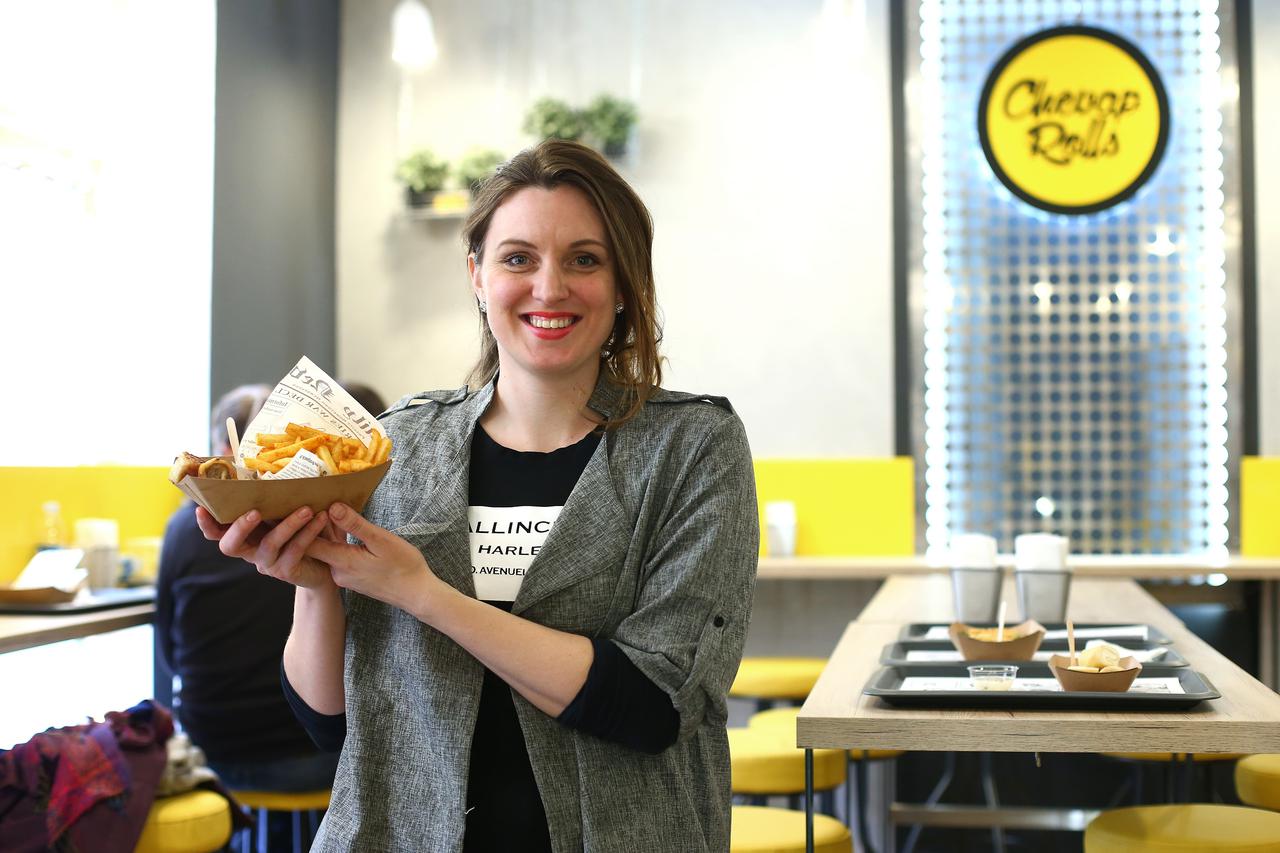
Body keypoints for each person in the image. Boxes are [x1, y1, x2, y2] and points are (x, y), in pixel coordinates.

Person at [196, 140, 759, 852]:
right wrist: (314, 587)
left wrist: (423, 592)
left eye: (584, 259)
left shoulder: (693, 448)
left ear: (623, 283)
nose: (549, 288)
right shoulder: (393, 448)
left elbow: (653, 703)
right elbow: (335, 725)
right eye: (518, 258)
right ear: (477, 276)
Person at [156, 384, 340, 798]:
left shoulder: (183, 529)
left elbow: (167, 654)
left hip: (213, 750)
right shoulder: (319, 522)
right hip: (317, 753)